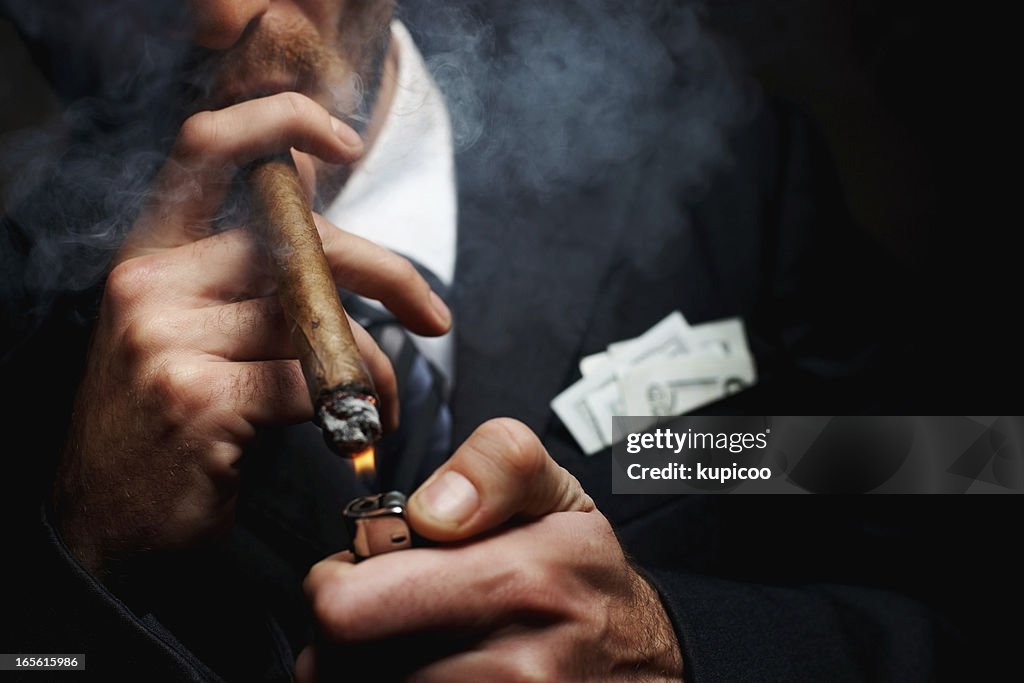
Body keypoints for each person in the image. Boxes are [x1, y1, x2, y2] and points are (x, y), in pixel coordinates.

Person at [0, 0, 973, 681]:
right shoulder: (21, 312)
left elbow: (965, 502)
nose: (220, 17)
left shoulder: (713, 160)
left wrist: (682, 644)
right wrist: (89, 550)